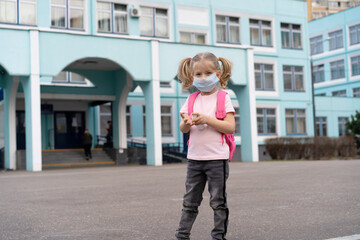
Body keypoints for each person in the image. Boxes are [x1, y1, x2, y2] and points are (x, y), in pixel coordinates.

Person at [174, 52, 235, 240]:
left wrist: (208, 119)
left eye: (208, 73)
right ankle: (182, 236)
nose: (203, 78)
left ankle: (218, 236)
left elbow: (230, 126)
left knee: (218, 201)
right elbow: (183, 128)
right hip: (194, 159)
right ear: (192, 77)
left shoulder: (223, 97)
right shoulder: (191, 99)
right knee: (189, 202)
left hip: (217, 159)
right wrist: (186, 122)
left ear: (217, 73)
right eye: (198, 74)